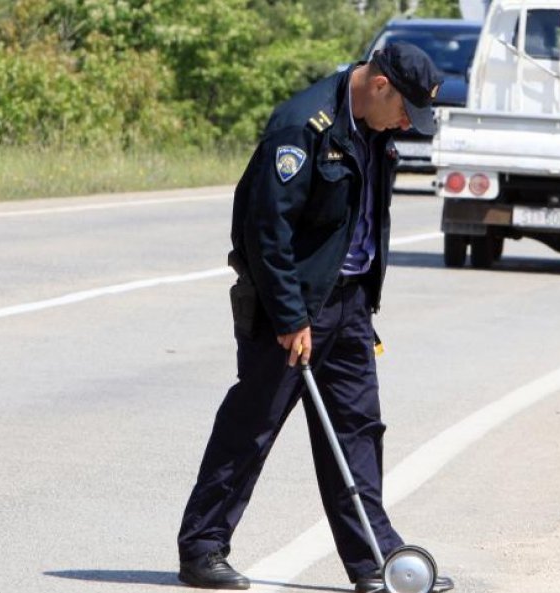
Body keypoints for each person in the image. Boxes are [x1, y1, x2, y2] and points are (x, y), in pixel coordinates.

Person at [176, 43, 453, 593]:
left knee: (356, 432)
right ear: (380, 86)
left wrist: (361, 303)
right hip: (293, 307)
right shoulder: (302, 126)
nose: (405, 124)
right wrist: (290, 315)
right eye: (404, 111)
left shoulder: (376, 130)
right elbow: (265, 231)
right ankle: (202, 548)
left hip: (349, 303)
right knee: (252, 427)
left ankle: (375, 561)